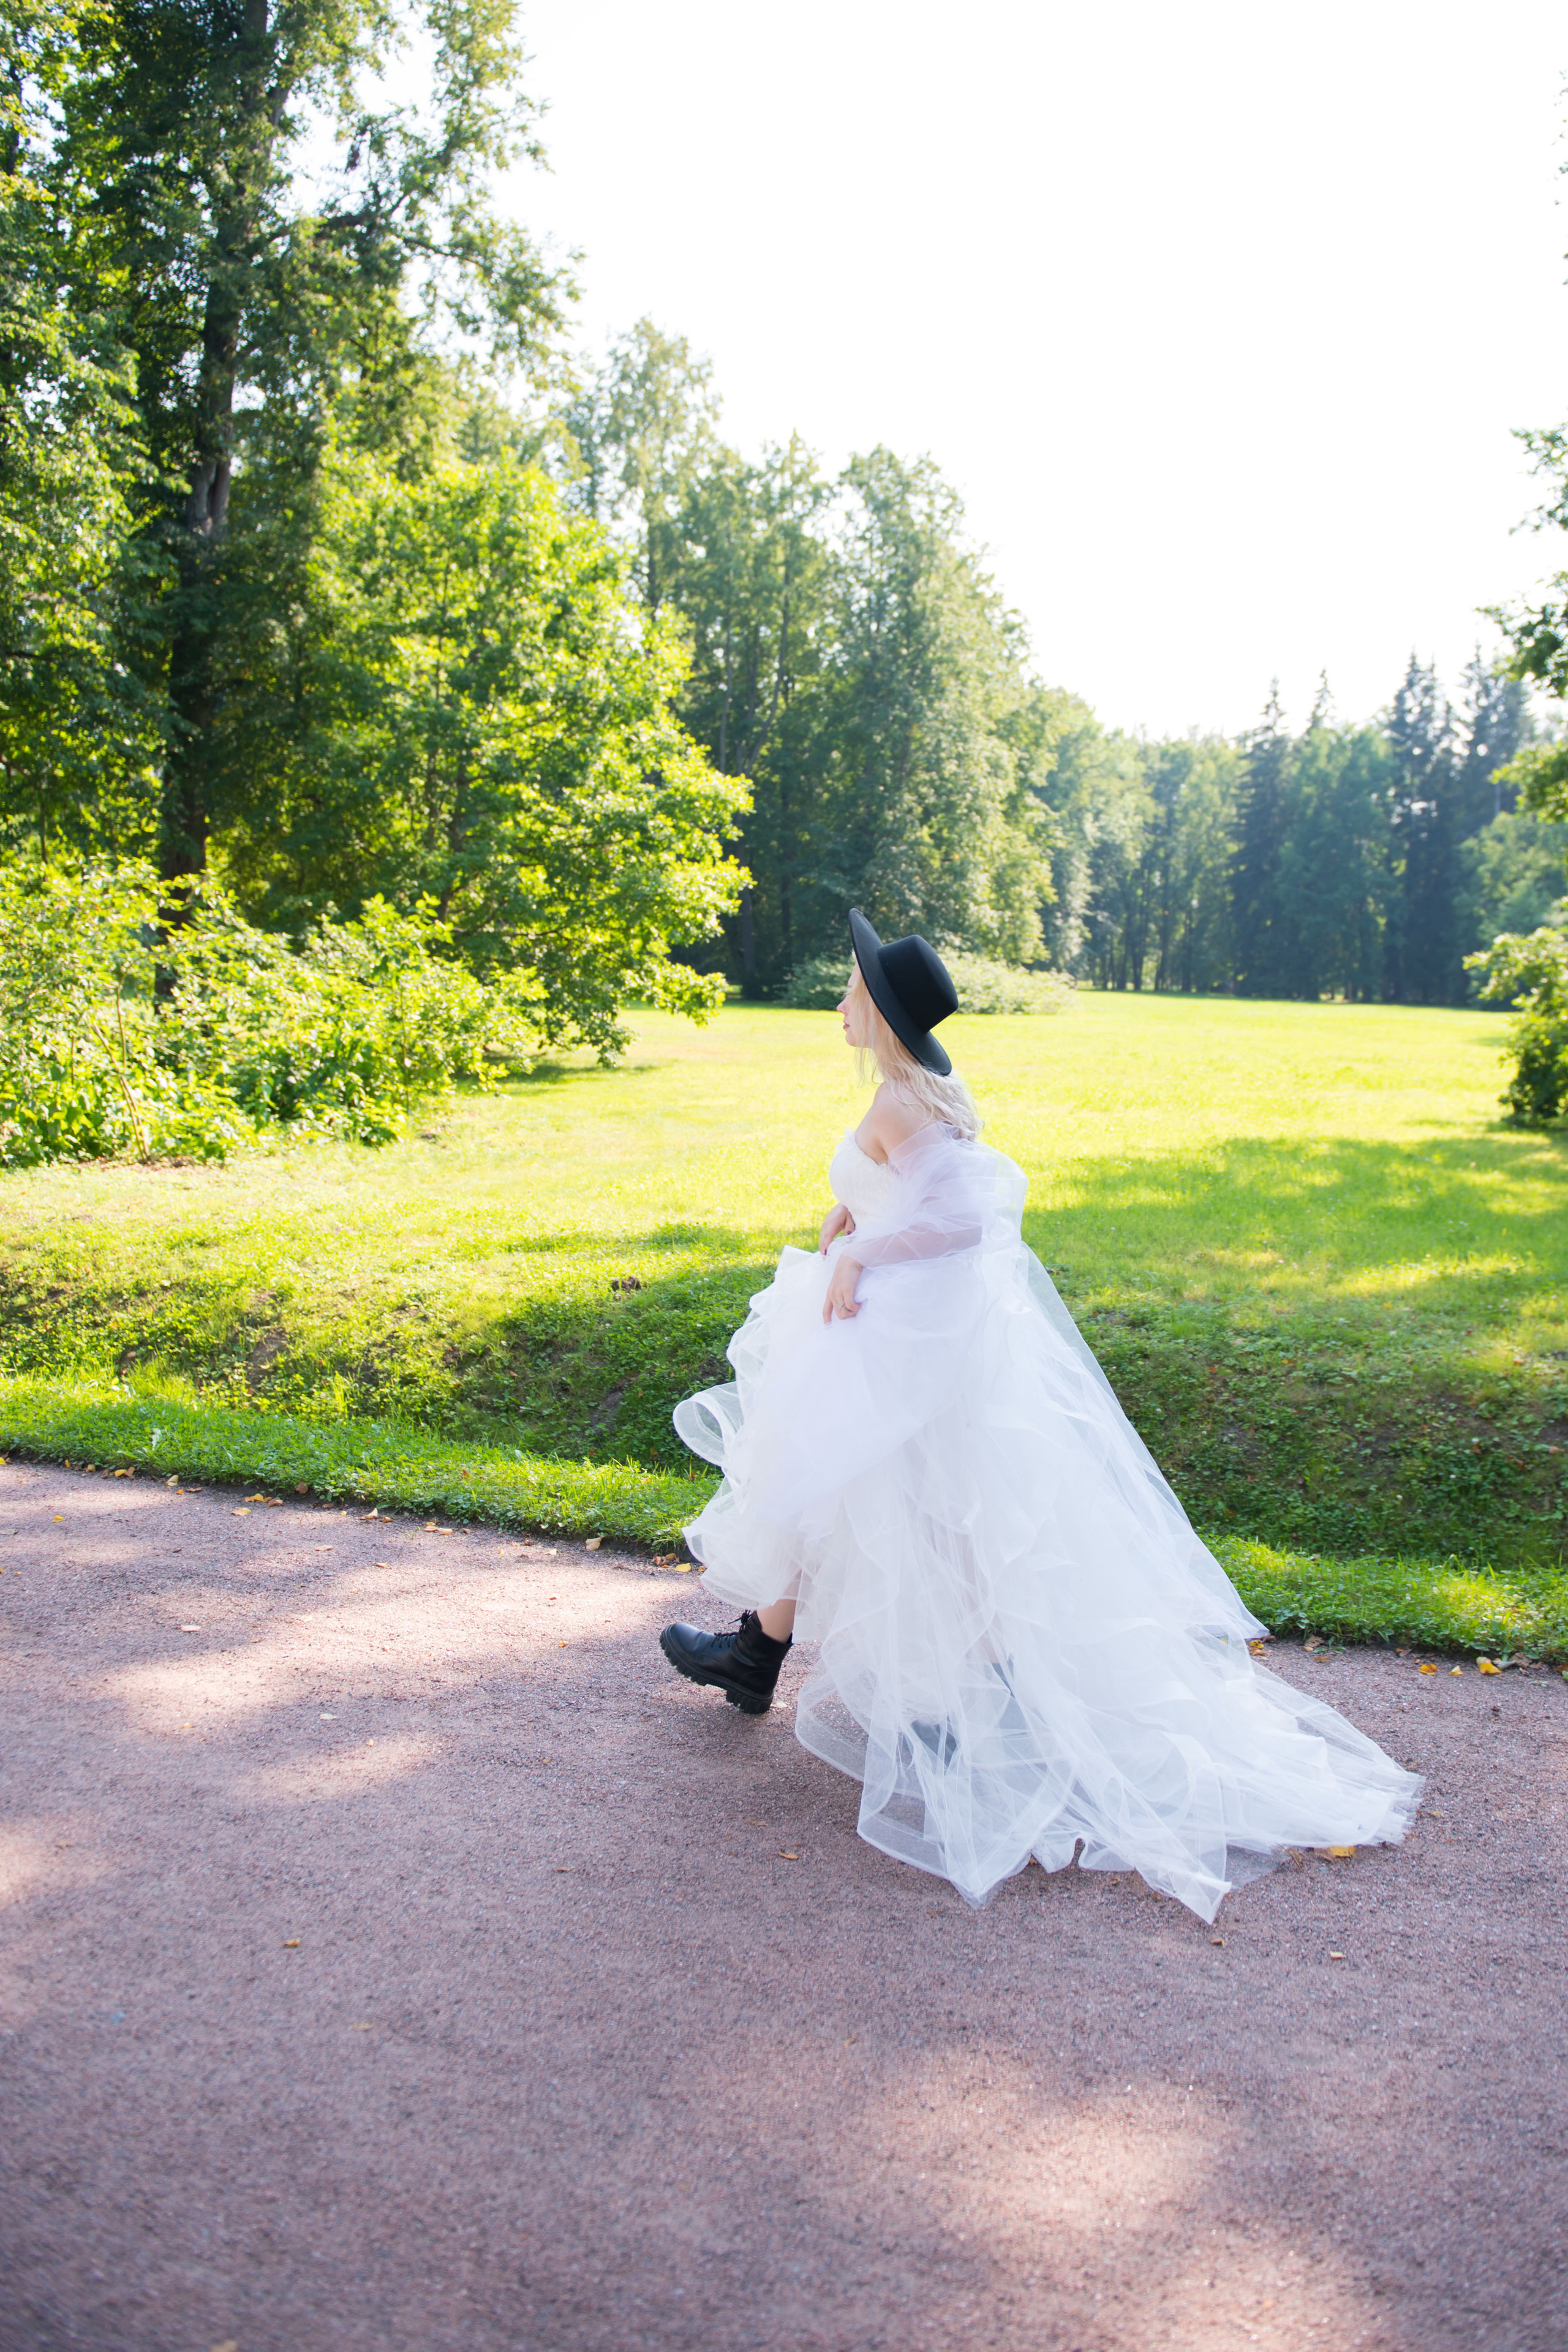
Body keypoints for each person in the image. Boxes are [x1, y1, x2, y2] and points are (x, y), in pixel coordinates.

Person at [658, 910, 1420, 1923]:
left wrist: (862, 1253)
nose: (840, 1001)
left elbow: (968, 1214)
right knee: (829, 1483)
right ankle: (762, 1654)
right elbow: (925, 1190)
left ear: (881, 1015)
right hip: (905, 1335)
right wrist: (857, 1214)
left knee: (901, 1505)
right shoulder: (920, 1093)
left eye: (851, 991)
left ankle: (966, 1701)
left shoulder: (897, 1100)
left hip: (898, 1339)